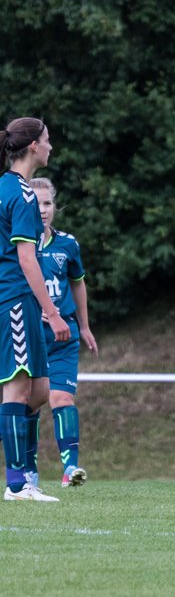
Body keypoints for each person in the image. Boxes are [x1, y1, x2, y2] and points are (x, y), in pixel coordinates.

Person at [0, 118, 70, 502]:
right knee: (18, 387)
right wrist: (53, 312)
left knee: (39, 391)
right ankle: (17, 484)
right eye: (47, 140)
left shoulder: (5, 188)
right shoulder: (22, 194)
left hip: (18, 300)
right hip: (15, 299)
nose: (51, 146)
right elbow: (27, 259)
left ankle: (23, 478)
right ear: (31, 147)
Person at [32, 177, 98, 487]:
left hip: (63, 336)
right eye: (36, 203)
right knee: (25, 403)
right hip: (28, 336)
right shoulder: (14, 247)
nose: (43, 210)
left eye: (47, 203)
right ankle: (25, 470)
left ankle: (70, 469)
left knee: (61, 398)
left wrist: (83, 326)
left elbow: (78, 283)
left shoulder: (67, 244)